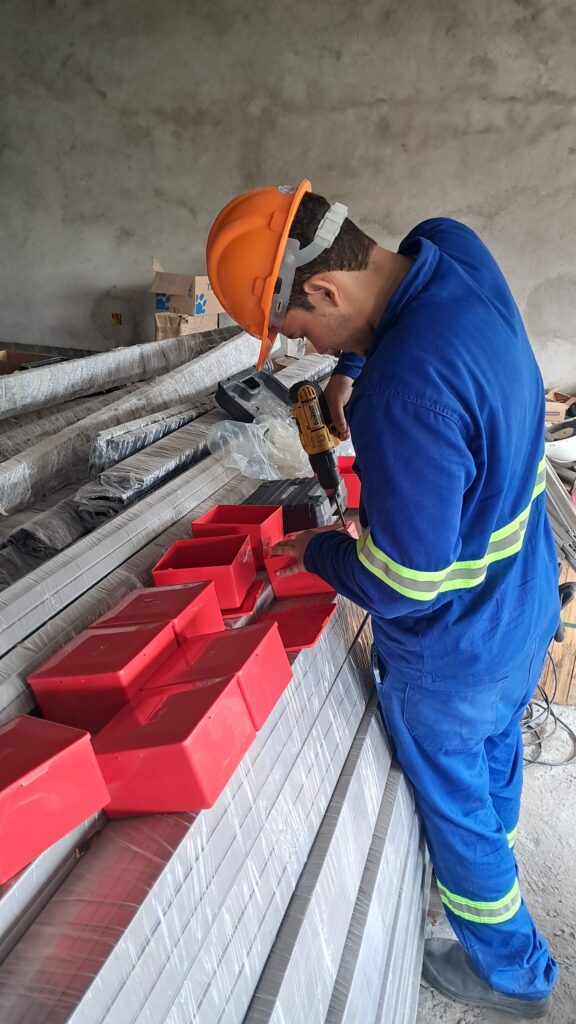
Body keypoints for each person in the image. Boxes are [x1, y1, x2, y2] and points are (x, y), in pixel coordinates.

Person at [206, 180, 560, 1018]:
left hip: (455, 651)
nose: (311, 344)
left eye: (302, 328)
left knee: (457, 808)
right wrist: (351, 365)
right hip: (524, 605)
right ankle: (495, 858)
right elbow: (396, 311)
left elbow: (405, 587)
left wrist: (320, 550)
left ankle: (509, 972)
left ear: (325, 290)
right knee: (494, 757)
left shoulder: (407, 393)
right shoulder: (451, 246)